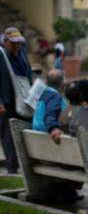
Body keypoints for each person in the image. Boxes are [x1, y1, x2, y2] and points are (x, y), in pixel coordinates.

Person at [1, 27, 33, 174]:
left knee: (25, 131)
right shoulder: (1, 55)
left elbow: (28, 75)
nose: (16, 45)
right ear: (5, 41)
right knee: (8, 135)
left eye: (19, 42)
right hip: (7, 102)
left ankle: (25, 165)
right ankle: (12, 168)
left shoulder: (22, 53)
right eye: (13, 43)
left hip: (24, 99)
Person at [32, 69, 67, 143]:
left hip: (37, 132)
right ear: (62, 83)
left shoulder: (44, 93)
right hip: (47, 133)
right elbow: (50, 114)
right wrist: (53, 128)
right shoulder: (55, 96)